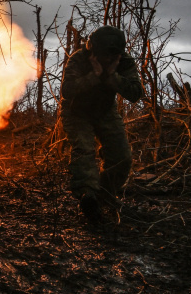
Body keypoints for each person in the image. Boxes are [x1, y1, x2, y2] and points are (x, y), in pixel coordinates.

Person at [60, 25, 144, 224]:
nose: (106, 60)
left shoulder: (123, 62)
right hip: (77, 112)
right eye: (101, 55)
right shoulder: (79, 59)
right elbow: (67, 90)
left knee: (122, 157)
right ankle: (87, 197)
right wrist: (94, 76)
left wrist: (110, 76)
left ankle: (104, 195)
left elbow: (135, 93)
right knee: (84, 150)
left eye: (110, 56)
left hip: (105, 111)